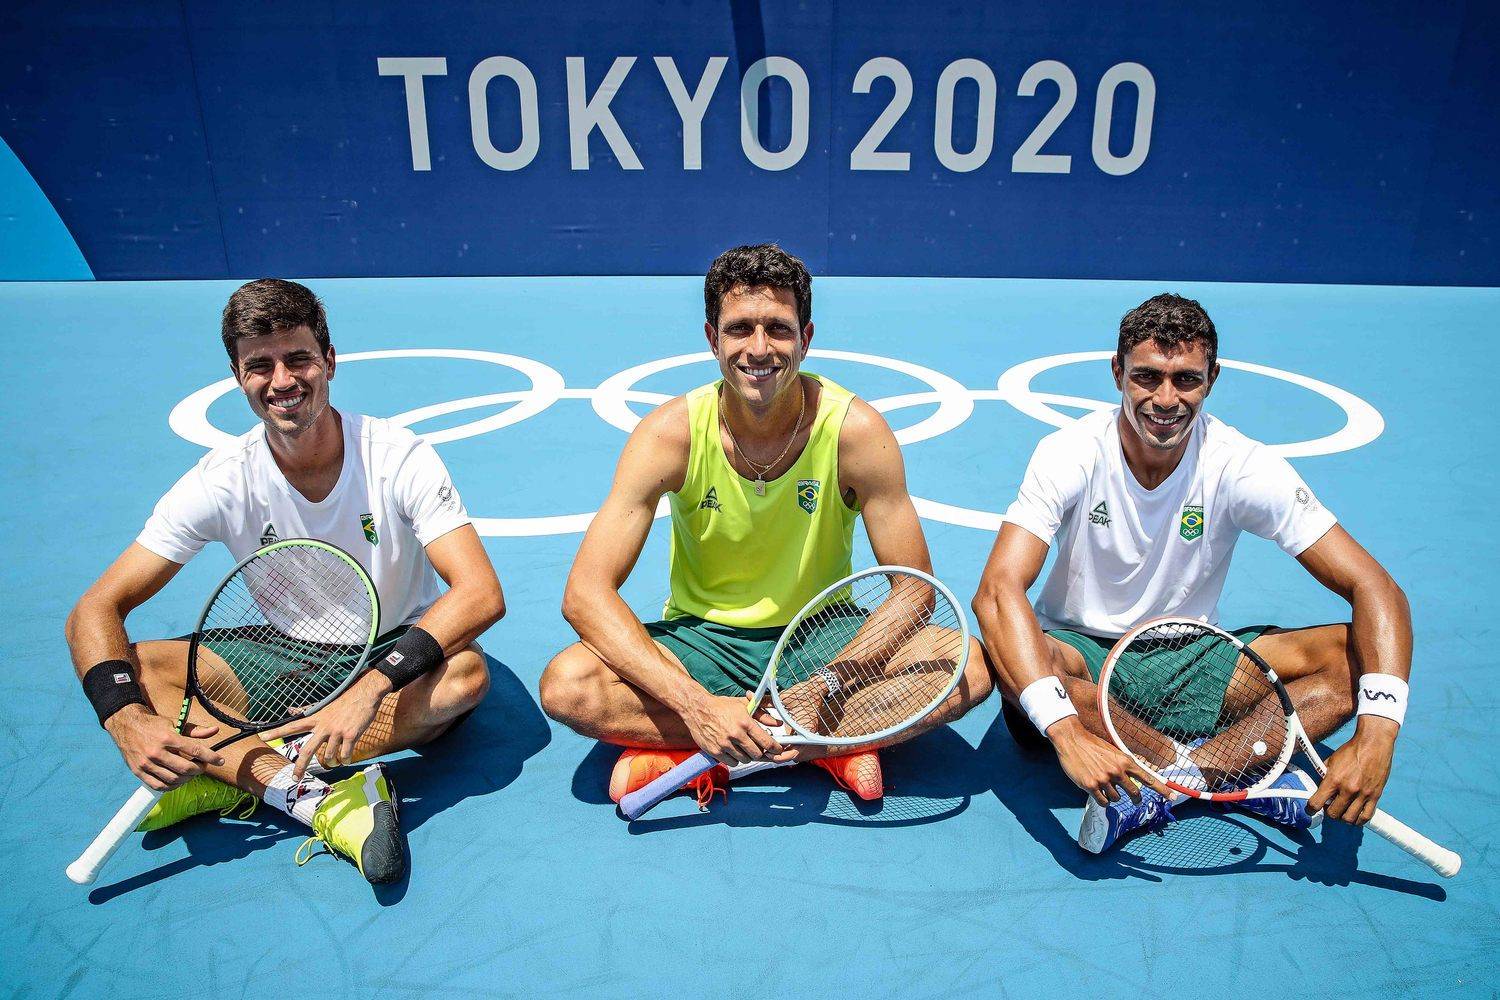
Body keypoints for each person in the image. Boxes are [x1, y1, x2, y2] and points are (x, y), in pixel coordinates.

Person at [66, 279, 503, 883]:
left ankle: (237, 771)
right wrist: (126, 718)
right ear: (237, 376)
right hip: (284, 657)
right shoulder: (221, 479)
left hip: (394, 645)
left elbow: (480, 592)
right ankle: (312, 796)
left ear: (328, 361)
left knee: (464, 678)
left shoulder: (398, 456)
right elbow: (97, 607)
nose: (282, 381)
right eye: (259, 365)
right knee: (135, 671)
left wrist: (369, 686)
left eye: (298, 359)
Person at [540, 244, 991, 807]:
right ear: (713, 338)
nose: (759, 348)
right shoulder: (668, 435)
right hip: (704, 639)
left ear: (806, 337)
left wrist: (833, 681)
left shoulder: (856, 432)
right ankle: (827, 740)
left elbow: (914, 588)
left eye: (778, 329)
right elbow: (585, 594)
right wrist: (696, 705)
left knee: (967, 666)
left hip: (824, 637)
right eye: (740, 329)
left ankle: (719, 746)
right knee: (568, 686)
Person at [972, 293, 1413, 853]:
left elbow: (1376, 586)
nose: (1165, 399)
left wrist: (1378, 734)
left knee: (1354, 658)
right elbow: (995, 593)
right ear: (1117, 373)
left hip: (1193, 659)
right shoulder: (1069, 453)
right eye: (1147, 377)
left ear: (1212, 380)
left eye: (1185, 380)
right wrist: (1062, 732)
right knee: (1021, 655)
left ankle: (1177, 785)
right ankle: (1234, 773)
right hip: (1080, 652)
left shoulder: (1241, 465)